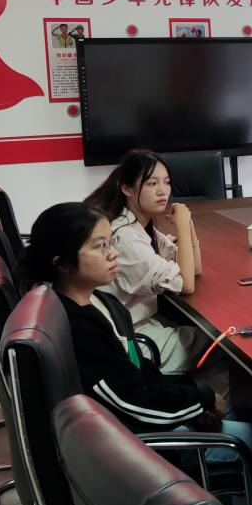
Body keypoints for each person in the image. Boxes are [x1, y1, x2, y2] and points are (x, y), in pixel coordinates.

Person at [19, 202, 252, 505]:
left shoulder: (93, 302)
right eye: (100, 247)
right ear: (62, 264)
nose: (113, 253)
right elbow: (129, 401)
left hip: (145, 419)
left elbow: (137, 374)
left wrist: (193, 400)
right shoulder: (79, 327)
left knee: (245, 412)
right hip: (137, 447)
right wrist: (200, 401)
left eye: (112, 242)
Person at [84, 149, 205, 374]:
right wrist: (181, 225)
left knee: (209, 338)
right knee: (220, 346)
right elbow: (187, 284)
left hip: (140, 324)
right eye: (151, 183)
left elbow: (195, 269)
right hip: (133, 338)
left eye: (167, 182)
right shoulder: (125, 236)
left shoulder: (136, 224)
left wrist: (187, 223)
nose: (162, 191)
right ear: (127, 188)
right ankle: (209, 395)